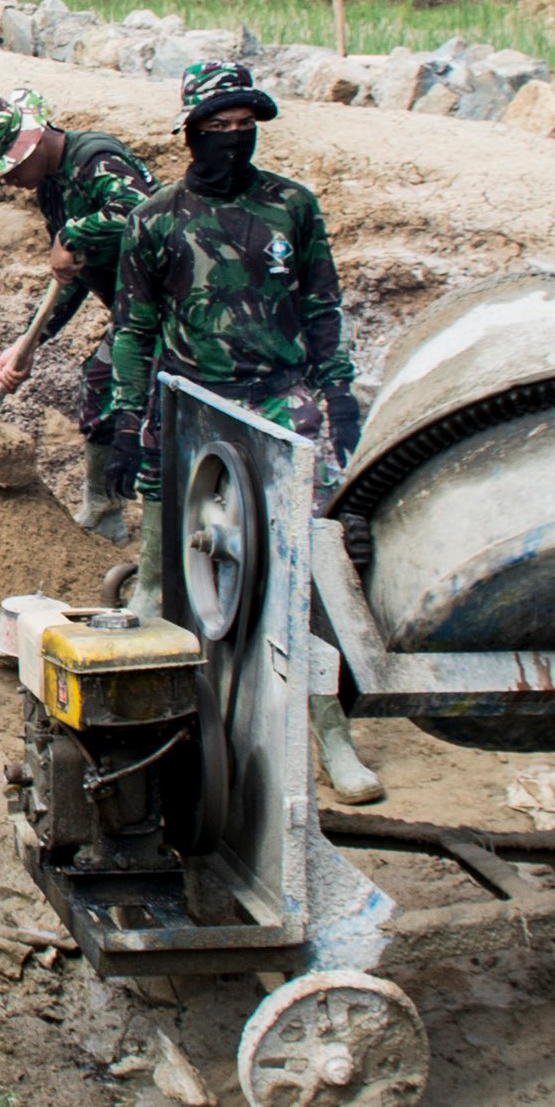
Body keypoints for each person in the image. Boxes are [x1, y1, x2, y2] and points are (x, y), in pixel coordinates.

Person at [104, 61, 375, 798]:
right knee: (164, 579)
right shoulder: (155, 220)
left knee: (303, 581)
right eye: (217, 127)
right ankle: (158, 739)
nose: (232, 138)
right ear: (191, 132)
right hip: (191, 405)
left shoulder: (293, 207)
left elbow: (324, 306)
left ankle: (330, 734)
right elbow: (134, 328)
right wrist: (132, 416)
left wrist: (338, 391)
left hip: (280, 405)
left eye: (243, 126)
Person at [0, 87, 158, 539]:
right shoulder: (51, 188)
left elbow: (142, 212)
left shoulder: (95, 158)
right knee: (98, 381)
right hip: (132, 311)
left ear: (34, 142)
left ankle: (160, 533)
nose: (6, 181)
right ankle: (104, 513)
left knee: (153, 414)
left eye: (10, 167)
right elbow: (70, 274)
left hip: (173, 307)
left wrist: (74, 233)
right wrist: (31, 342)